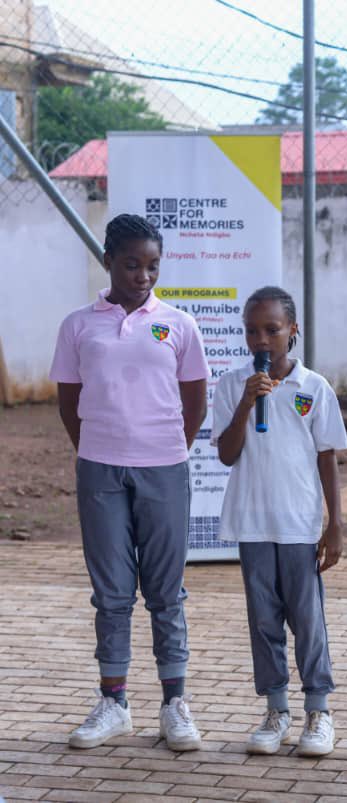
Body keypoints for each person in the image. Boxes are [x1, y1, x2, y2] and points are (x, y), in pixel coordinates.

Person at [51, 213, 208, 751]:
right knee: (112, 592)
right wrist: (97, 446)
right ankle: (114, 702)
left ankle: (174, 704)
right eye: (132, 264)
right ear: (109, 262)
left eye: (152, 266)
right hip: (99, 469)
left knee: (166, 591)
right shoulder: (78, 325)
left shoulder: (180, 324)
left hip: (164, 468)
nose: (143, 275)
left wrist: (167, 448)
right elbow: (69, 401)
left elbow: (195, 398)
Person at [211, 286, 347, 758]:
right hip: (252, 523)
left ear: (293, 331)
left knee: (307, 619)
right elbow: (227, 455)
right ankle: (276, 710)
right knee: (263, 620)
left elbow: (327, 457)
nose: (262, 340)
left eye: (272, 329)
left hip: (298, 523)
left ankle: (319, 710)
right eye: (252, 331)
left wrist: (335, 524)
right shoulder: (233, 385)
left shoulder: (315, 388)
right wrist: (248, 403)